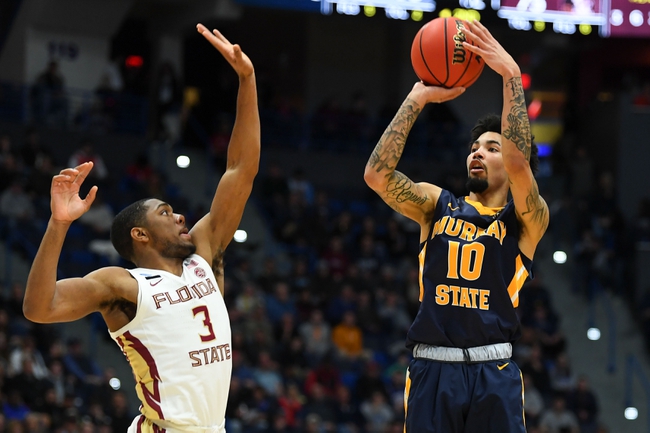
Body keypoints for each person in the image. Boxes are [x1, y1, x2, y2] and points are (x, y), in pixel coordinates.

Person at [23, 23, 260, 433]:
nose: (182, 216)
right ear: (140, 234)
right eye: (166, 213)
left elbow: (240, 169)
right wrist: (58, 224)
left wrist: (247, 80)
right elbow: (39, 308)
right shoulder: (126, 287)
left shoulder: (204, 256)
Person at [364, 20, 549, 432]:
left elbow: (521, 163)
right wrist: (416, 99)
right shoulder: (437, 204)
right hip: (433, 366)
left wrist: (511, 76)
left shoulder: (527, 219)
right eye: (473, 147)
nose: (477, 153)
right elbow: (377, 176)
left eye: (491, 147)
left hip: (493, 369)